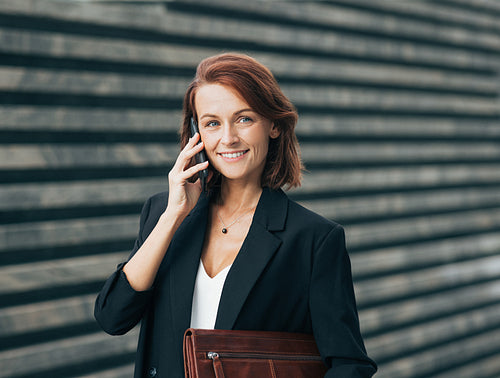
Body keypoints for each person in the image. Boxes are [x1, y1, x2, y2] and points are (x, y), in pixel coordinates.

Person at [94, 53, 377, 378]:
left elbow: (349, 364)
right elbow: (111, 317)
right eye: (212, 123)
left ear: (273, 124)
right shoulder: (163, 212)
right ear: (195, 133)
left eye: (244, 119)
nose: (227, 138)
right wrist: (173, 217)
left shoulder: (313, 239)